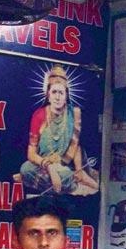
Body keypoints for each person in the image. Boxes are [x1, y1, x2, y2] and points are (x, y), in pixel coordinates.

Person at [19, 65, 98, 196]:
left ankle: (72, 180)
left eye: (61, 93)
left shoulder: (74, 114)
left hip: (64, 166)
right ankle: (72, 186)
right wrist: (50, 168)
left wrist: (78, 169)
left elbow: (75, 145)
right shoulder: (39, 115)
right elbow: (31, 154)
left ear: (66, 95)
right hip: (43, 165)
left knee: (66, 173)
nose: (57, 97)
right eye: (54, 92)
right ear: (48, 95)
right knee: (25, 169)